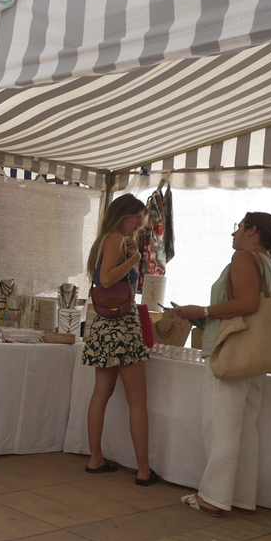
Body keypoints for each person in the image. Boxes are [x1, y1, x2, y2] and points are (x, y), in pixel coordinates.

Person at [170, 212, 271, 517]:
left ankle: (214, 497)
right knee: (244, 428)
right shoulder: (267, 265)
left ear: (252, 230)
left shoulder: (243, 257)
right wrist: (203, 315)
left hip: (230, 351)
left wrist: (205, 310)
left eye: (238, 227)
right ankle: (240, 496)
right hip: (254, 354)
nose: (234, 234)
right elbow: (252, 306)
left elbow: (246, 304)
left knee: (220, 426)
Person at [81, 194, 160, 486]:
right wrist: (136, 259)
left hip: (103, 324)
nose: (140, 223)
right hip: (123, 325)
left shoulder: (104, 240)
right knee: (137, 399)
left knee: (101, 393)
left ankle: (95, 458)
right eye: (136, 217)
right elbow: (107, 279)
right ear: (124, 216)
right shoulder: (115, 238)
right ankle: (142, 468)